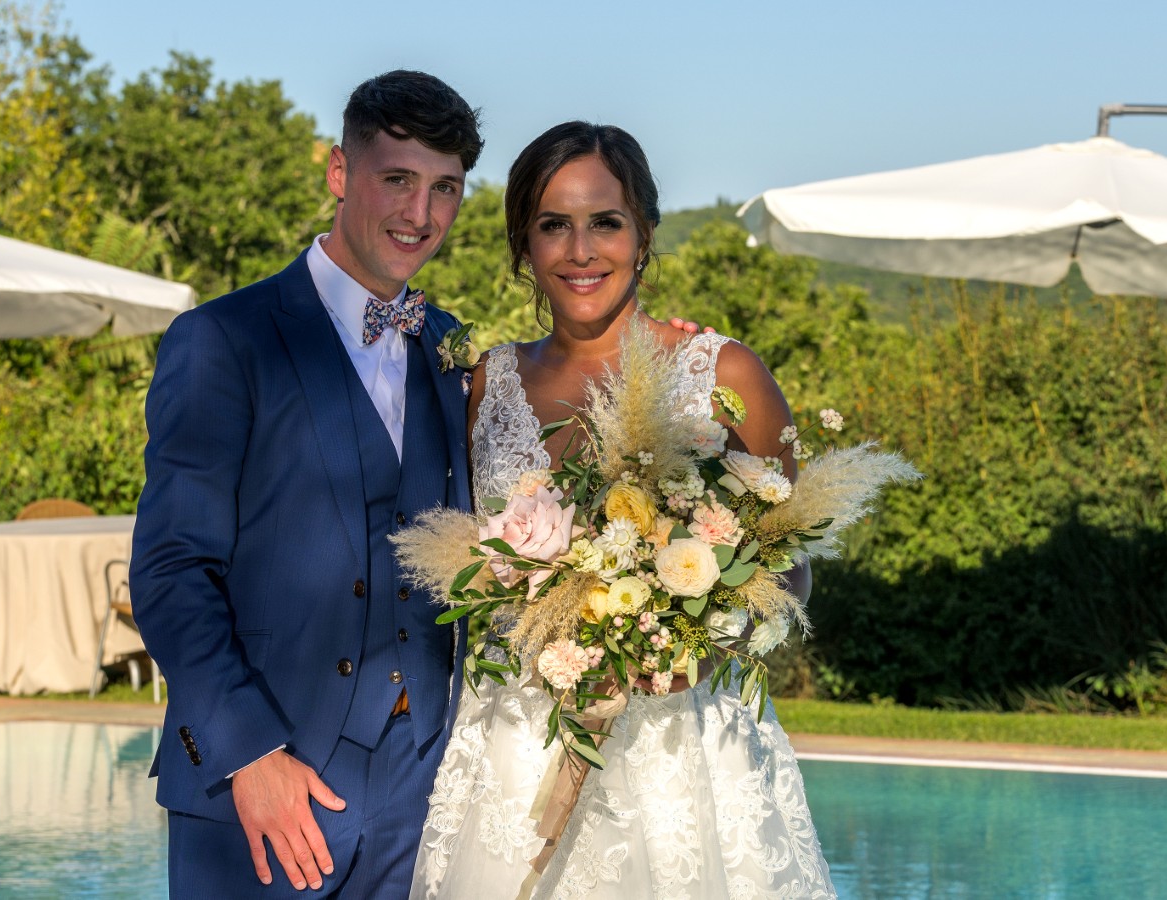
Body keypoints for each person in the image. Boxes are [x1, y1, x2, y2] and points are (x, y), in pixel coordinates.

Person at [409, 122, 837, 899]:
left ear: (643, 235)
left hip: (684, 748)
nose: (581, 251)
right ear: (523, 245)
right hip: (518, 745)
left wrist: (702, 644)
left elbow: (791, 566)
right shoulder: (486, 386)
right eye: (553, 225)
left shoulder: (723, 372)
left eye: (605, 222)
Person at [130, 70, 485, 898]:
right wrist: (249, 754)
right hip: (261, 791)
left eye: (444, 188)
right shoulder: (223, 340)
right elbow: (171, 569)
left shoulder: (449, 348)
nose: (420, 214)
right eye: (396, 179)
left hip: (420, 791)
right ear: (338, 172)